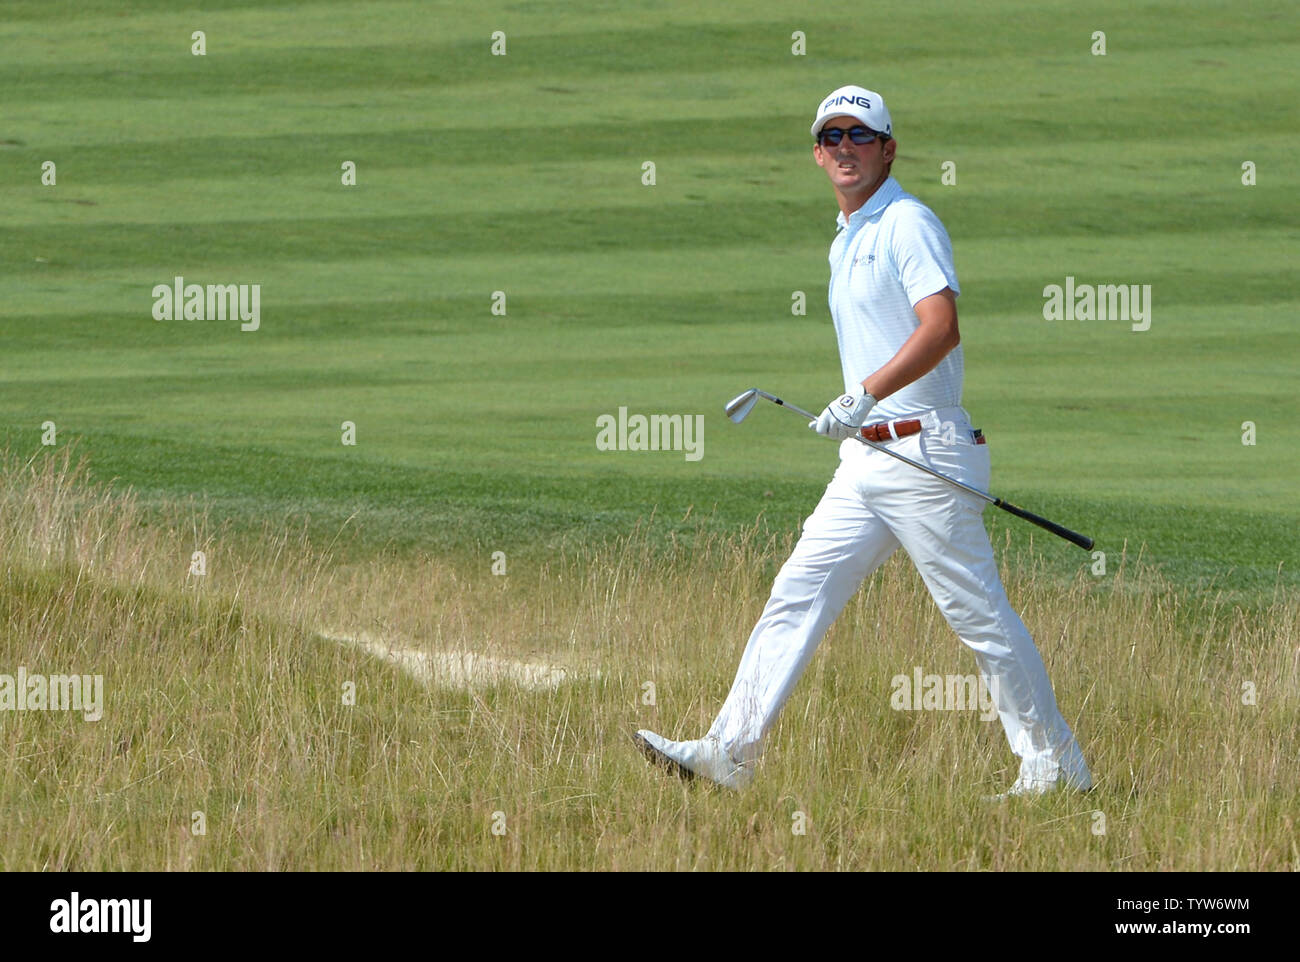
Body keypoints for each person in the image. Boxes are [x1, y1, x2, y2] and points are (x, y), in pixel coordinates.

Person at [635, 85, 1092, 799]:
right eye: (831, 138)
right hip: (867, 459)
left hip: (924, 451)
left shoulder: (907, 222)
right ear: (818, 155)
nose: (844, 148)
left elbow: (940, 327)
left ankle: (1056, 766)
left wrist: (865, 393)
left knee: (976, 616)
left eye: (859, 135)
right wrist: (855, 410)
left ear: (888, 148)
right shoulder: (847, 236)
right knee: (799, 590)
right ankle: (729, 750)